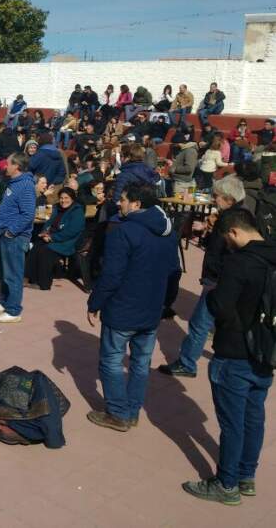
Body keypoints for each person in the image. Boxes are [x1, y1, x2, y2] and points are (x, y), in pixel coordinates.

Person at [181, 209, 276, 506]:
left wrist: (214, 298)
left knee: (233, 423)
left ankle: (227, 483)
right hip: (266, 349)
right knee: (254, 416)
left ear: (233, 232)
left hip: (235, 350)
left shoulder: (239, 262)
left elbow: (221, 305)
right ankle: (246, 475)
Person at [85, 183, 180, 432]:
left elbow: (111, 275)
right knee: (140, 363)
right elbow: (174, 272)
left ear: (137, 204)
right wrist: (166, 303)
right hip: (151, 310)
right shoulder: (167, 231)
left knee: (112, 360)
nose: (120, 203)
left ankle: (118, 413)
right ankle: (131, 410)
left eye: (124, 199)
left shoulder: (124, 232)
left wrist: (94, 303)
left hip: (123, 309)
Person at [158, 175, 248, 379]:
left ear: (229, 199)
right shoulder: (240, 215)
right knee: (217, 321)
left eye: (217, 196)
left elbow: (227, 252)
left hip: (218, 278)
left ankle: (187, 362)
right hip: (224, 278)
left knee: (200, 323)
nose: (214, 199)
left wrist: (212, 273)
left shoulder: (230, 220)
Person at [0, 152, 36, 323]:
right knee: (6, 272)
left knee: (14, 275)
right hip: (6, 234)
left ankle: (14, 311)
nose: (5, 166)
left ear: (16, 166)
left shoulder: (25, 185)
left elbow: (28, 214)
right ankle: (6, 302)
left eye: (8, 163)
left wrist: (11, 231)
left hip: (15, 237)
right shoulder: (13, 183)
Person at [25, 187, 85, 290]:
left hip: (67, 242)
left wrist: (52, 238)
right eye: (61, 198)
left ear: (72, 198)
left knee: (45, 251)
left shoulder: (77, 211)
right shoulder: (57, 208)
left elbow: (71, 232)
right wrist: (44, 232)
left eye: (66, 198)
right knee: (37, 245)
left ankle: (44, 284)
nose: (63, 200)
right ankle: (29, 277)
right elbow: (49, 222)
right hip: (53, 236)